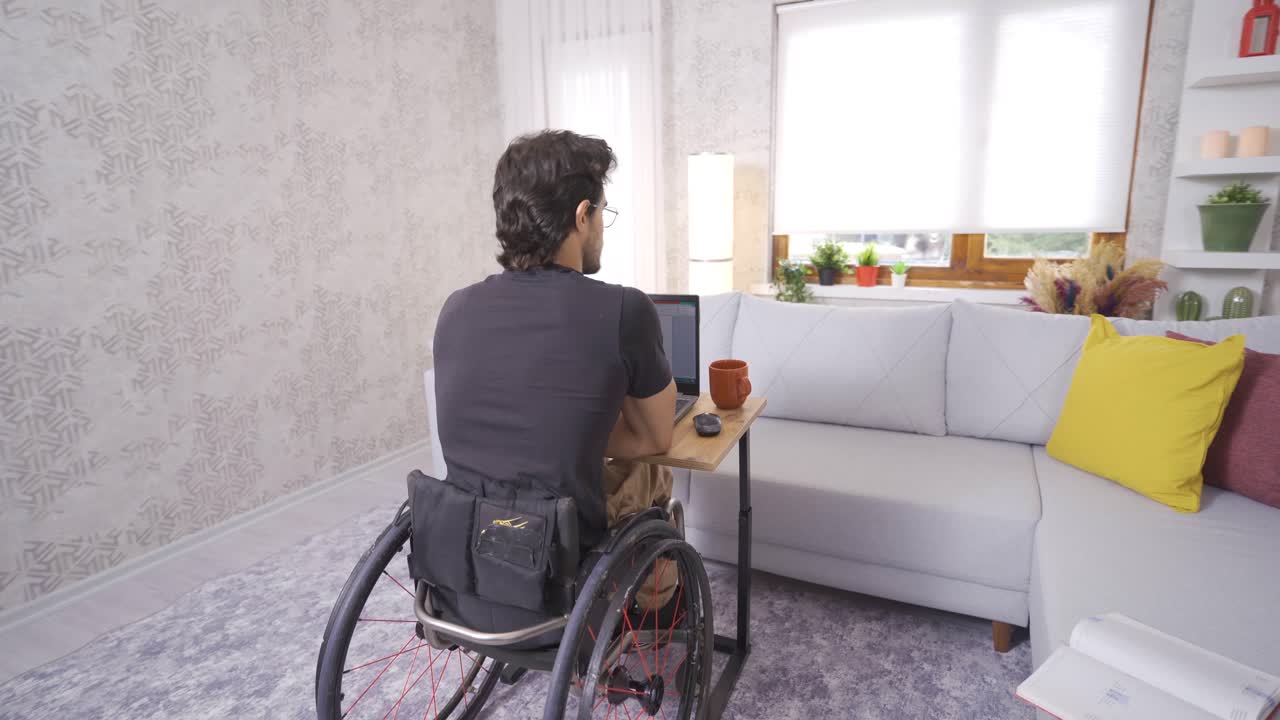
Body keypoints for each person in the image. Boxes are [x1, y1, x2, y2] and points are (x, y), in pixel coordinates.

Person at [432, 129, 677, 609]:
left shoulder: (455, 309)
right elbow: (655, 438)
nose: (602, 225)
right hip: (558, 552)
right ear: (582, 215)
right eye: (602, 213)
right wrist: (576, 428)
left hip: (465, 542)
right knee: (651, 472)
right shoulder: (625, 309)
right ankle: (656, 600)